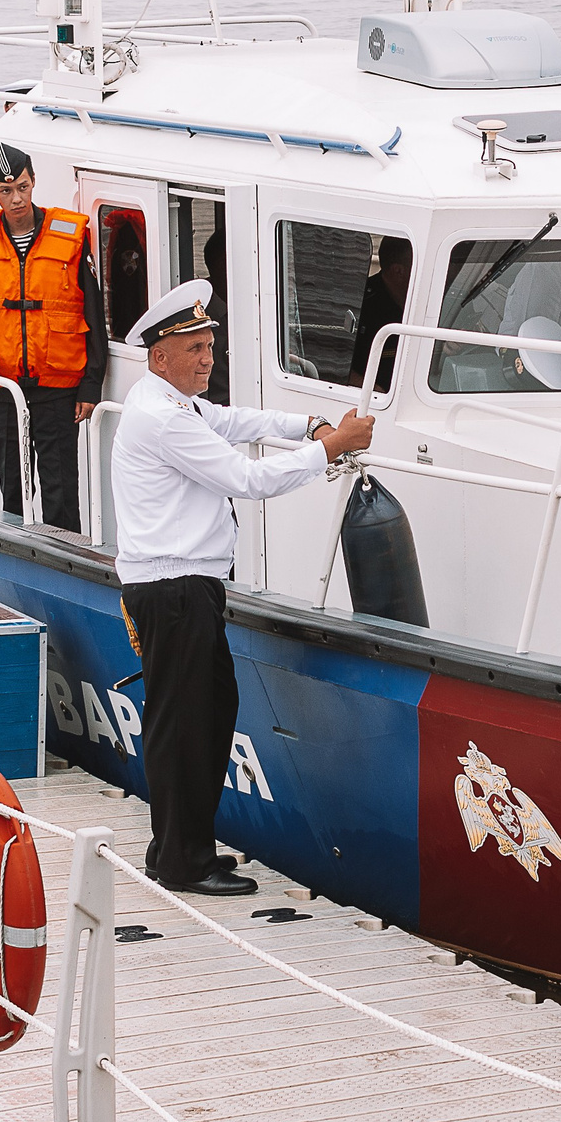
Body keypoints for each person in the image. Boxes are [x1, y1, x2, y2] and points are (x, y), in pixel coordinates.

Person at [113, 279, 374, 894]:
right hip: (175, 590)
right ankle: (184, 861)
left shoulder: (172, 403)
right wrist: (328, 449)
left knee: (197, 713)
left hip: (179, 587)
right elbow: (245, 478)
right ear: (160, 356)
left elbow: (232, 420)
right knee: (188, 721)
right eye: (195, 347)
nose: (207, 358)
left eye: (209, 344)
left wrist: (303, 422)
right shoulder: (163, 419)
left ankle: (174, 846)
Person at [0, 142, 107, 530]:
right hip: (3, 389)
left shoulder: (72, 238)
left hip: (59, 390)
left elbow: (94, 317)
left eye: (22, 187)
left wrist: (91, 384)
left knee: (62, 493)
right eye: (6, 190)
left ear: (33, 182)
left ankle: (66, 560)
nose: (16, 199)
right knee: (13, 492)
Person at [351, 236, 412, 389]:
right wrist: (370, 389)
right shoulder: (361, 304)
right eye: (420, 265)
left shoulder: (439, 297)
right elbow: (336, 362)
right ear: (398, 271)